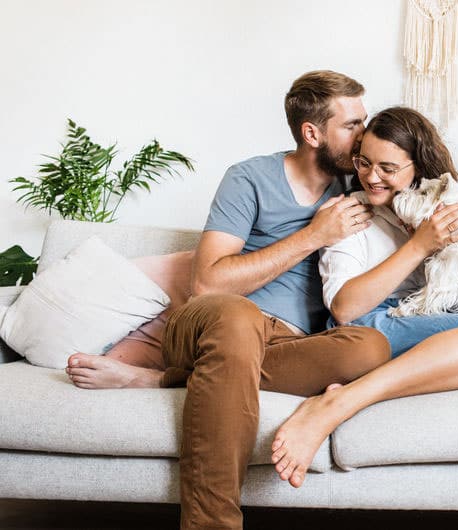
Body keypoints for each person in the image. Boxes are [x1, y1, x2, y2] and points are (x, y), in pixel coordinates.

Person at [66, 70, 392, 530]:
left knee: (370, 347)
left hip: (287, 346)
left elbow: (417, 173)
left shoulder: (360, 183)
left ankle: (164, 381)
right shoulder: (249, 178)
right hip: (215, 322)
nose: (364, 136)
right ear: (312, 133)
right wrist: (314, 235)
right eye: (352, 125)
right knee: (238, 318)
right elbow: (208, 284)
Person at [269, 107, 458, 488]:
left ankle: (365, 397)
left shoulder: (438, 207)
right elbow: (345, 308)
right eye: (364, 162)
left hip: (424, 333)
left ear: (418, 166)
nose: (371, 176)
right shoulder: (349, 211)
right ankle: (336, 404)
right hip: (370, 329)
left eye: (387, 168)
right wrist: (418, 246)